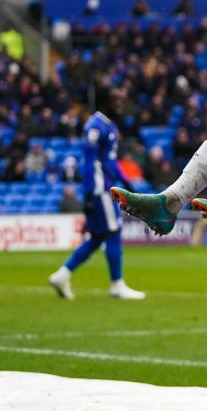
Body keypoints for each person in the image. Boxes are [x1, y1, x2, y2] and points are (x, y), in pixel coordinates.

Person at [48, 86, 145, 300]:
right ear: (104, 102)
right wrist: (91, 193)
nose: (120, 103)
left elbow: (109, 161)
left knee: (97, 238)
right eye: (115, 99)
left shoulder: (109, 126)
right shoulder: (95, 126)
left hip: (104, 186)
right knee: (114, 231)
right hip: (100, 189)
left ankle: (62, 275)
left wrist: (127, 182)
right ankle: (117, 284)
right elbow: (90, 161)